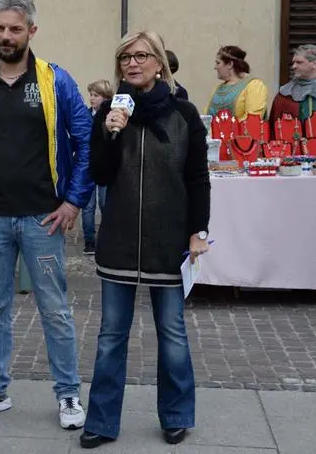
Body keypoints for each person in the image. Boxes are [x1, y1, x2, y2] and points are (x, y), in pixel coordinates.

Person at [0, 0, 93, 429]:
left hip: (42, 218)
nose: (5, 36)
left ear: (31, 30)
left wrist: (73, 201)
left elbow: (84, 141)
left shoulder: (55, 81)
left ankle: (68, 395)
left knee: (55, 309)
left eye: (14, 28)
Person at [80, 30, 210, 449]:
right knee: (110, 336)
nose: (132, 64)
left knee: (171, 334)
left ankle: (175, 414)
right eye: (124, 58)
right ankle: (100, 421)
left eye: (141, 56)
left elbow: (197, 179)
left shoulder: (184, 115)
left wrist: (198, 231)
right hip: (118, 239)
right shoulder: (109, 114)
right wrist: (110, 133)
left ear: (159, 63)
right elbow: (99, 175)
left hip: (167, 242)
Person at [82, 80, 113, 255]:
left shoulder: (110, 115)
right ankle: (89, 241)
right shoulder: (86, 114)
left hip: (103, 165)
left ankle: (106, 239)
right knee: (88, 206)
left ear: (106, 97)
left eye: (96, 95)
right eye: (91, 95)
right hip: (87, 164)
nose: (92, 99)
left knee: (104, 202)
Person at [205, 46, 268, 120]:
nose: (215, 67)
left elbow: (252, 120)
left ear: (230, 64)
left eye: (218, 63)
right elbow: (207, 119)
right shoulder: (218, 89)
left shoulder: (254, 86)